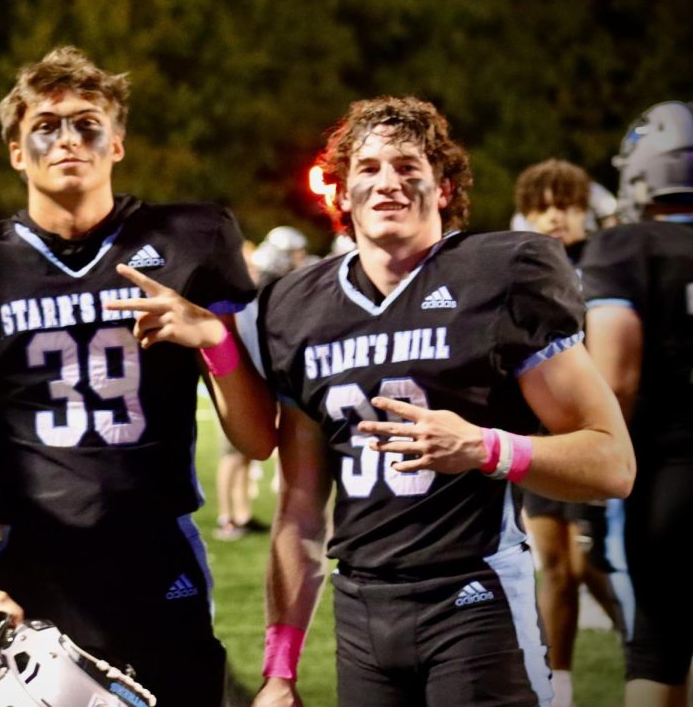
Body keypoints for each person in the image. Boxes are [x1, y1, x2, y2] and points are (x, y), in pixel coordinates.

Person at [110, 96, 635, 707]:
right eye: (368, 167)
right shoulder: (298, 308)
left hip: (475, 595)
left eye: (409, 166)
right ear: (339, 192)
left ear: (443, 189)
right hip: (361, 610)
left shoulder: (502, 276)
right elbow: (301, 510)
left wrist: (484, 447)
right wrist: (280, 670)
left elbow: (612, 462)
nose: (389, 182)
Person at [0, 46, 259, 706]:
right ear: (17, 151)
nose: (67, 138)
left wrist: (214, 338)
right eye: (46, 125)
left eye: (86, 122)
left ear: (118, 143)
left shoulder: (189, 241)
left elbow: (255, 440)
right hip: (37, 567)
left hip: (160, 552)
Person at [582, 100, 693, 707]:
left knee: (657, 647)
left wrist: (593, 495)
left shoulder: (624, 248)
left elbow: (616, 379)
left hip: (669, 476)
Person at [514, 159, 627, 707]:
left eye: (566, 202)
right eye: (542, 204)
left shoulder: (606, 264)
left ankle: (642, 643)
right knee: (555, 567)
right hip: (541, 435)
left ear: (586, 208)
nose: (554, 214)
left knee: (590, 564)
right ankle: (560, 689)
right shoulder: (519, 270)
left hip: (599, 436)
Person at [216, 227, 308, 541]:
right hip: (241, 375)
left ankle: (240, 513)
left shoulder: (264, 287)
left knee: (246, 452)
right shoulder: (249, 288)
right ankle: (228, 516)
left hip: (258, 374)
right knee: (232, 452)